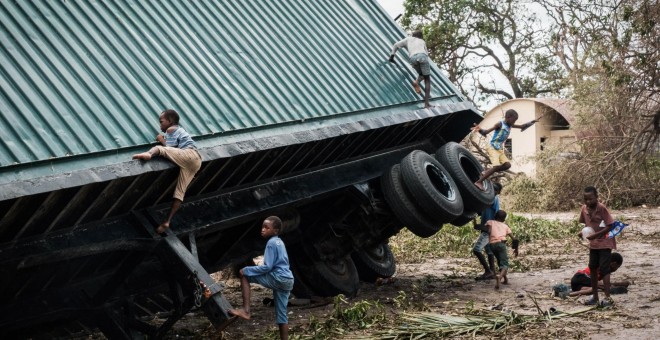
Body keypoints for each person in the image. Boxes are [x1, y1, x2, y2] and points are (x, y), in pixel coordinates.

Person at [132, 109, 202, 234]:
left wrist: (160, 140)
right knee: (179, 193)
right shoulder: (179, 130)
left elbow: (169, 148)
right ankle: (167, 221)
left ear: (170, 121)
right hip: (196, 161)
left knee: (159, 149)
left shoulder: (171, 129)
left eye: (161, 122)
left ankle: (148, 154)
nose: (160, 125)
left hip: (189, 154)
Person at [229, 216, 295, 340]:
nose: (263, 230)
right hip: (288, 280)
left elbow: (267, 267)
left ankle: (246, 310)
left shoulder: (271, 243)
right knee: (282, 315)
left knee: (244, 275)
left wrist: (247, 269)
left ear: (275, 230)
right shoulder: (280, 242)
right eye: (262, 227)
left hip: (278, 278)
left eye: (266, 227)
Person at [471, 109, 536, 191]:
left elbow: (522, 126)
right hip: (492, 147)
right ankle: (479, 182)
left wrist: (532, 122)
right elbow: (486, 132)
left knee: (507, 165)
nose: (514, 122)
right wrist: (480, 129)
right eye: (513, 120)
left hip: (498, 149)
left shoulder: (510, 125)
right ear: (507, 117)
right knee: (496, 166)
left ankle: (487, 172)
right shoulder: (500, 124)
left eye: (515, 121)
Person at [577, 186, 617, 306]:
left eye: (591, 199)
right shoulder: (584, 209)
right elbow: (587, 225)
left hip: (605, 243)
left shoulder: (601, 208)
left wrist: (596, 235)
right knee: (593, 267)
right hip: (594, 245)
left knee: (604, 270)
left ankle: (607, 298)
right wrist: (582, 232)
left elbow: (610, 226)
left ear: (596, 197)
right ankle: (595, 297)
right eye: (586, 199)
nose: (588, 202)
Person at [389, 30, 432, 108]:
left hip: (412, 58)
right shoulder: (422, 41)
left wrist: (392, 56)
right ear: (420, 37)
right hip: (422, 56)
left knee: (421, 75)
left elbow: (395, 45)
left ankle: (416, 82)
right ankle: (427, 104)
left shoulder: (408, 39)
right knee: (427, 79)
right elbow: (426, 53)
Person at [472, 182, 503, 280]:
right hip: (485, 228)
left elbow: (498, 214)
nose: (491, 190)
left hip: (489, 230)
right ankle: (492, 271)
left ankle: (488, 271)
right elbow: (480, 212)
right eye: (491, 188)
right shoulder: (486, 200)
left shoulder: (495, 199)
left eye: (494, 189)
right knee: (489, 251)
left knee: (476, 250)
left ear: (498, 192)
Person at [485, 210, 519, 289]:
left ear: (495, 216)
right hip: (501, 244)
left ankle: (505, 279)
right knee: (505, 264)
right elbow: (514, 239)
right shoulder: (505, 226)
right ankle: (499, 277)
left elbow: (489, 231)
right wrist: (516, 249)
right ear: (504, 219)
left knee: (500, 261)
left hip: (492, 245)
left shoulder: (490, 222)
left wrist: (475, 223)